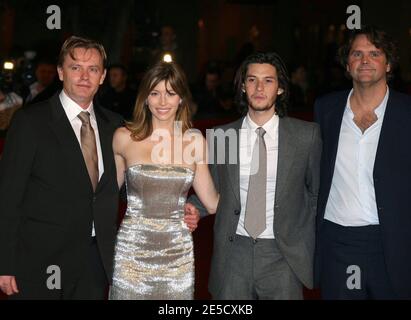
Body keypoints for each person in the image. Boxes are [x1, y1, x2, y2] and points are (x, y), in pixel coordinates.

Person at [188, 52, 322, 299]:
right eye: (252, 80)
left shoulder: (306, 136)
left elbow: (316, 194)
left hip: (283, 255)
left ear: (280, 88)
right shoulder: (221, 136)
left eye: (268, 80)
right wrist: (195, 207)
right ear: (242, 86)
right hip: (233, 253)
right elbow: (214, 191)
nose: (259, 87)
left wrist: (300, 238)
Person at [314, 26, 411, 299]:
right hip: (338, 242)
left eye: (374, 53)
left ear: (389, 63)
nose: (365, 60)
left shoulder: (407, 113)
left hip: (391, 242)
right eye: (357, 53)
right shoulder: (326, 109)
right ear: (348, 64)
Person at [109, 61, 219, 300]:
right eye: (155, 93)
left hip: (177, 257)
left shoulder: (194, 141)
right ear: (145, 98)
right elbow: (105, 197)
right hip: (131, 255)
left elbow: (211, 202)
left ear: (181, 98)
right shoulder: (124, 138)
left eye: (170, 93)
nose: (162, 102)